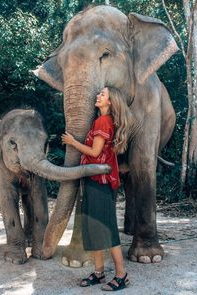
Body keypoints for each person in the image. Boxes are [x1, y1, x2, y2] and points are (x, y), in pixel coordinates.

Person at [62, 86, 132, 291]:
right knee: (95, 228)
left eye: (103, 94)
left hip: (100, 181)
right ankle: (99, 272)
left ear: (110, 102)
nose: (98, 96)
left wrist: (72, 142)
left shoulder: (103, 121)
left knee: (107, 228)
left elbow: (94, 151)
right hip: (94, 179)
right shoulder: (102, 120)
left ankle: (121, 275)